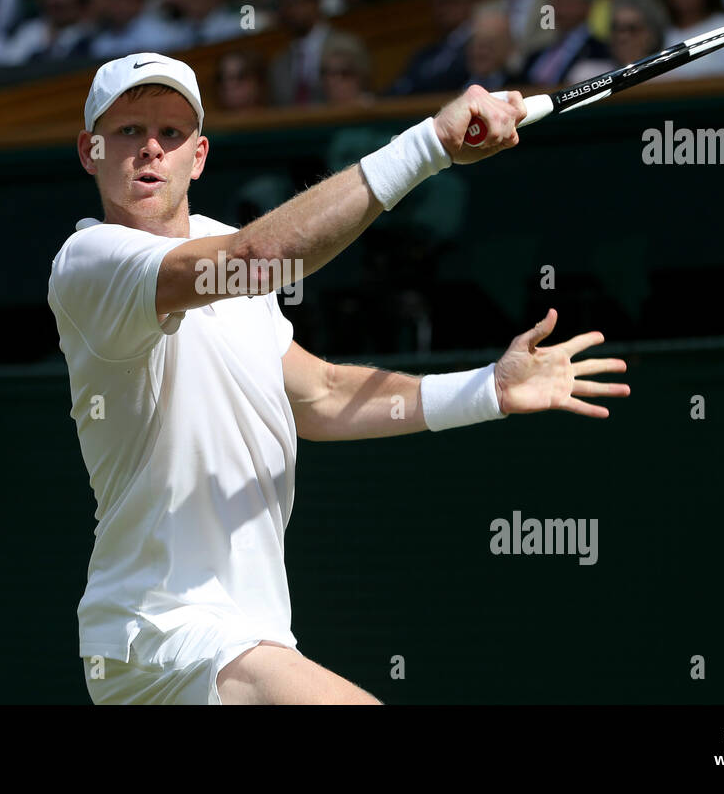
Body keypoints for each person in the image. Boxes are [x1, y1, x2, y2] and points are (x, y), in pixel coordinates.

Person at [50, 53, 629, 705]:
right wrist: (430, 144)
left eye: (171, 132)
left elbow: (321, 395)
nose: (150, 147)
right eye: (128, 130)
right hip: (163, 629)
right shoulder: (91, 261)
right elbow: (256, 258)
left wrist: (487, 389)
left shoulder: (224, 243)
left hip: (242, 633)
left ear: (200, 154)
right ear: (89, 150)